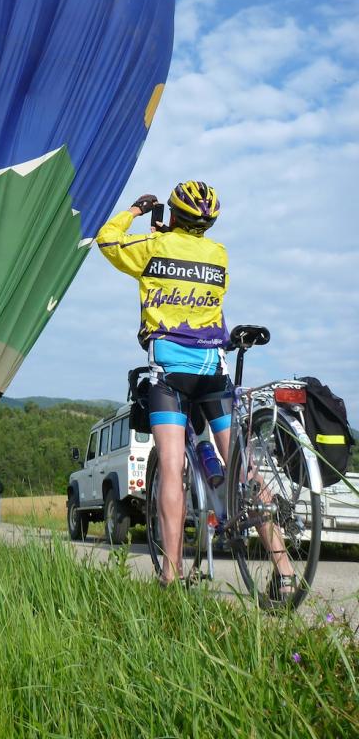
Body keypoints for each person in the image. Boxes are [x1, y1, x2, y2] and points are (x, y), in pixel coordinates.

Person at [96, 181, 295, 591]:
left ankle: (171, 573)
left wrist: (136, 211)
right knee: (243, 466)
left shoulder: (153, 248)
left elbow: (107, 240)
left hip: (170, 373)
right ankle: (285, 570)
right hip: (213, 369)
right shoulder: (219, 254)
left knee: (171, 467)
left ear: (172, 214)